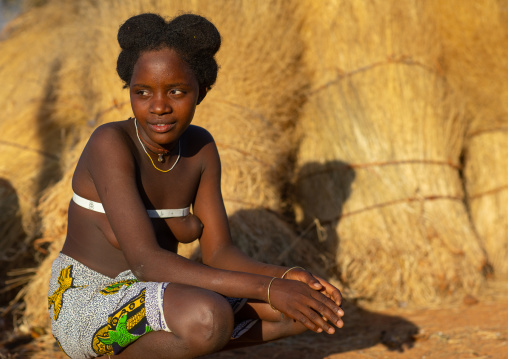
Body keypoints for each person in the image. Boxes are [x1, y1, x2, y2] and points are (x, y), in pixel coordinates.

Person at [47, 12, 344, 359]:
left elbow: (219, 254)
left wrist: (289, 277)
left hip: (160, 293)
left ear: (201, 90)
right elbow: (147, 263)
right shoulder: (110, 144)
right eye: (142, 92)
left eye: (176, 91)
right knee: (207, 316)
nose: (159, 106)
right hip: (91, 299)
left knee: (305, 309)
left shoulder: (200, 148)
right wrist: (268, 287)